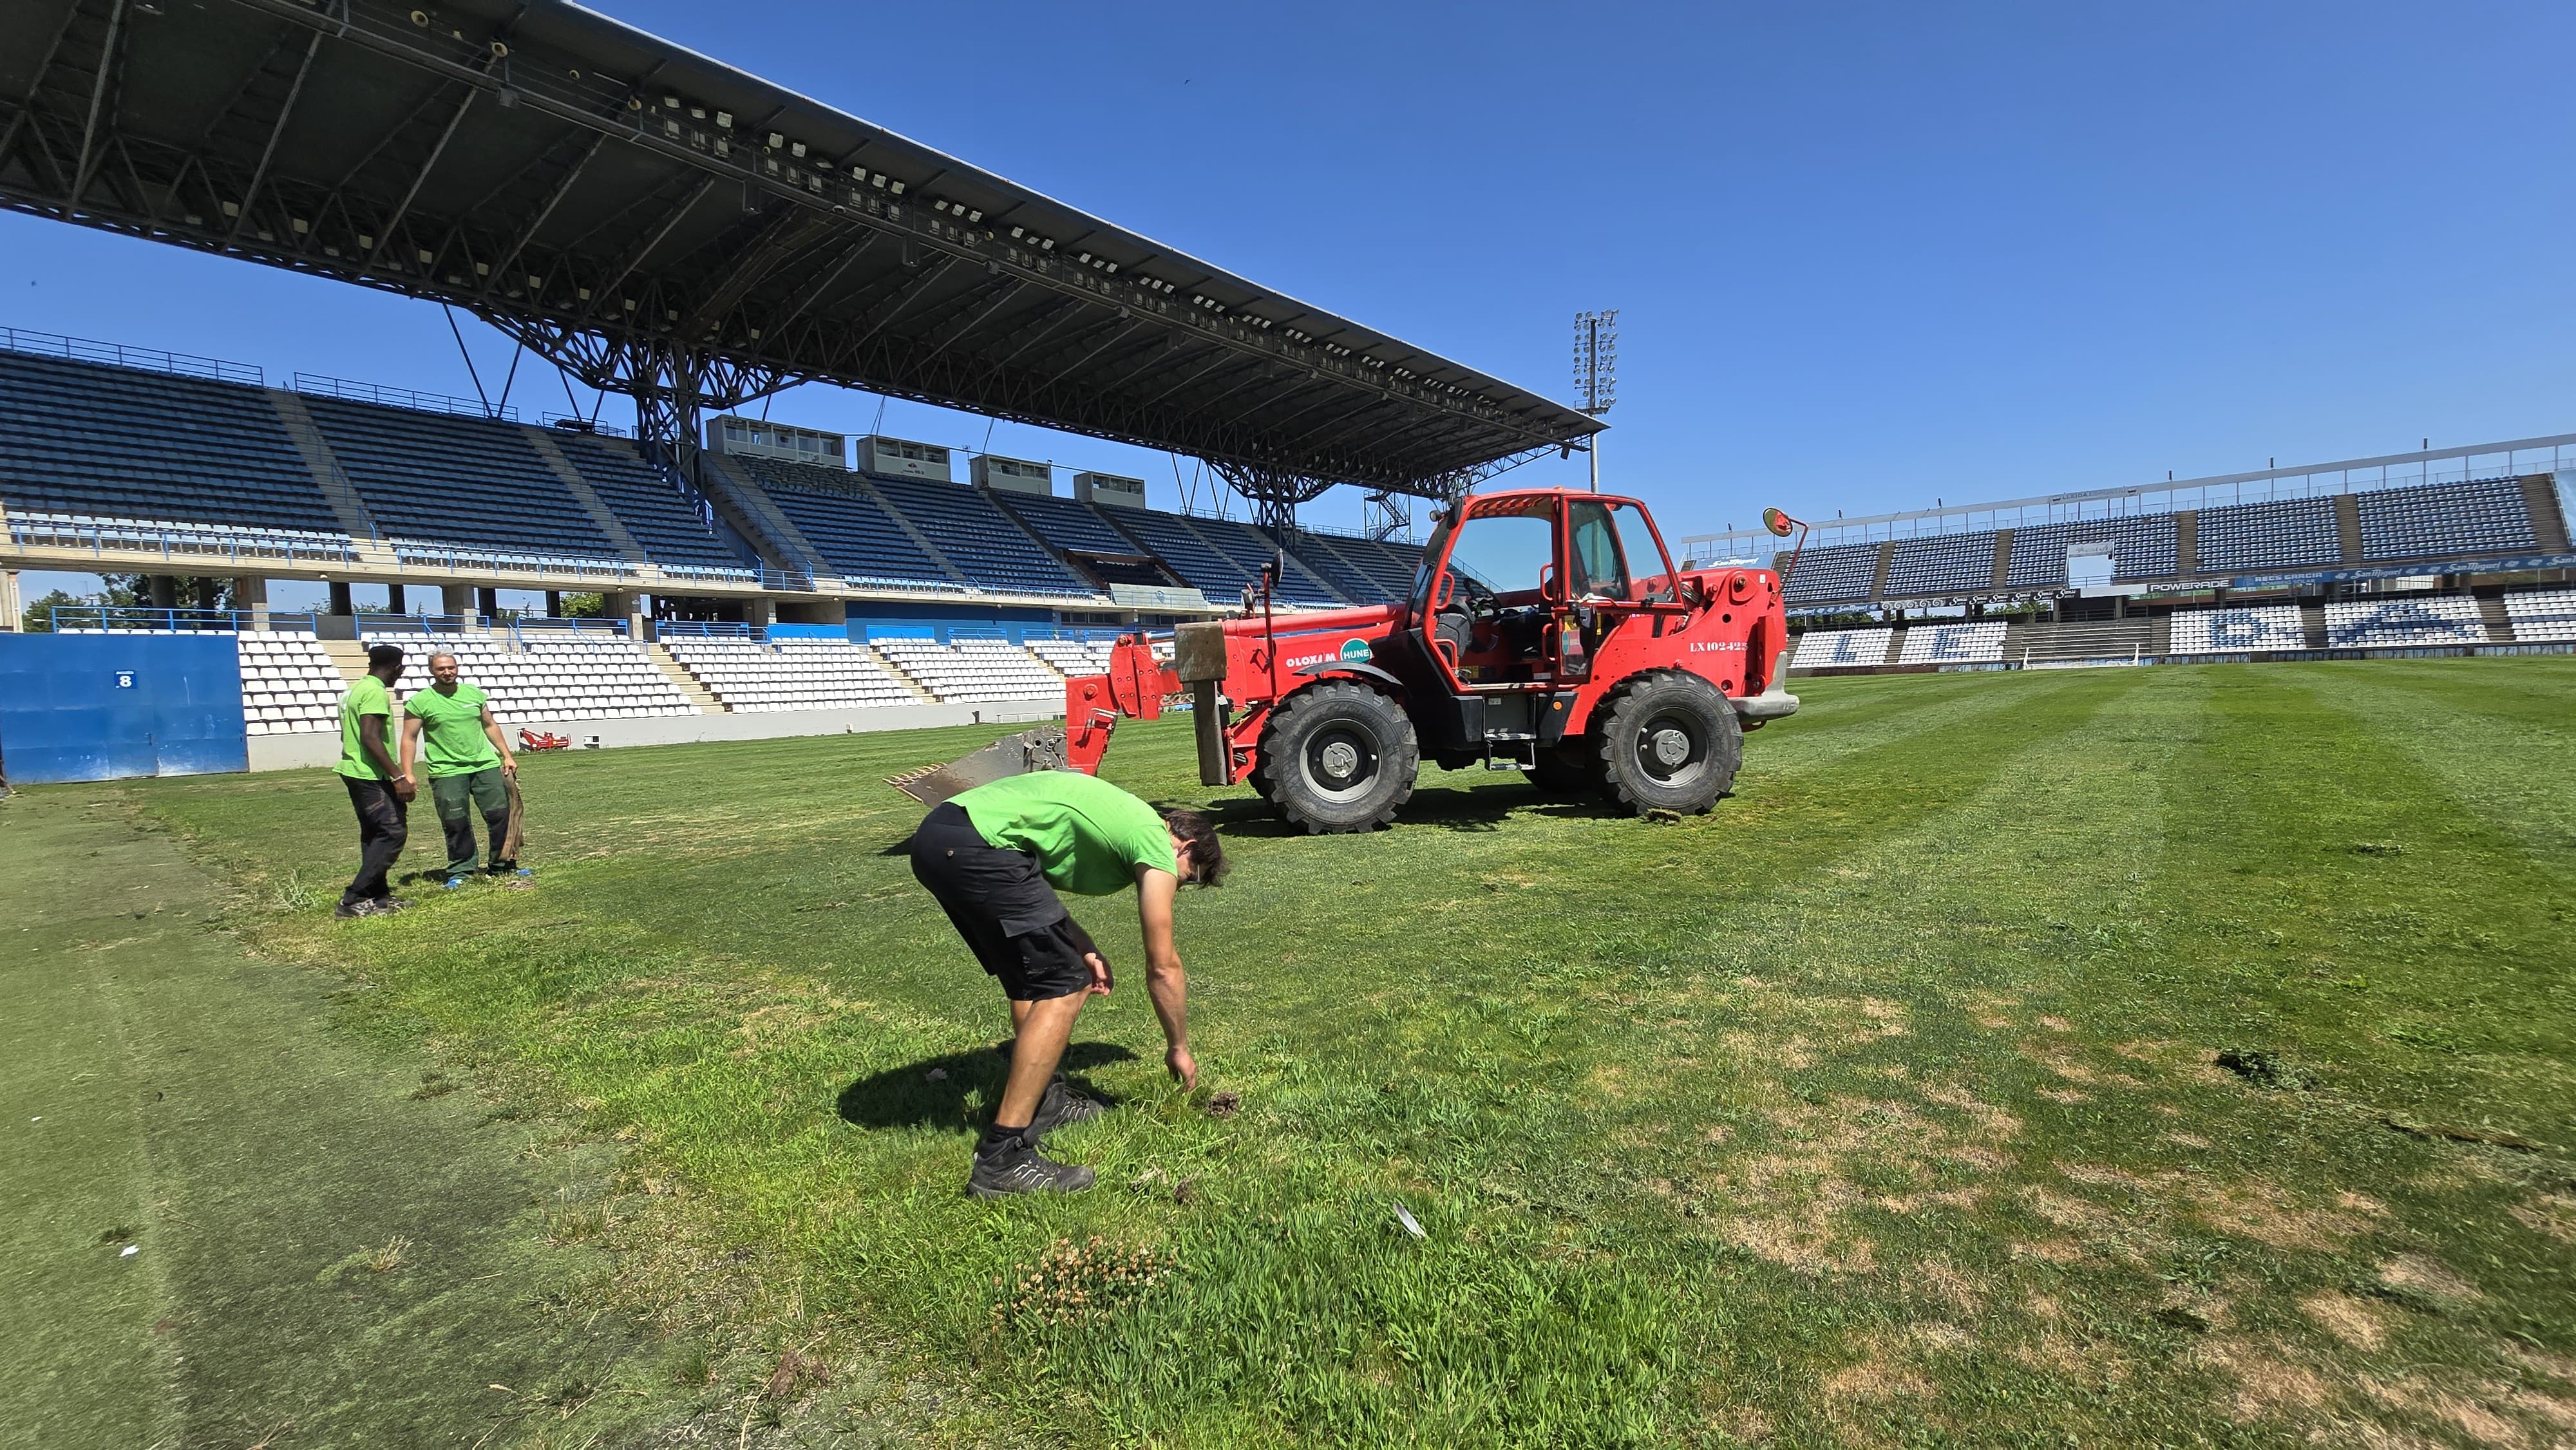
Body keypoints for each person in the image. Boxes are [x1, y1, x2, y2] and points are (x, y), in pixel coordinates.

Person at [907, 771, 1226, 1198]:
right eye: (1188, 877)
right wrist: (1178, 1047)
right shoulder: (1153, 838)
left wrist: (1082, 943)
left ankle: (1046, 1102)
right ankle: (1002, 1158)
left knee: (1031, 981)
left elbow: (1027, 882)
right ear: (1185, 847)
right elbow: (1163, 966)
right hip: (976, 845)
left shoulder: (1126, 822)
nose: (1176, 887)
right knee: (1064, 985)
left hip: (943, 838)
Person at [400, 650, 519, 883]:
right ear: (432, 671)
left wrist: (507, 755)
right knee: (456, 822)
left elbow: (490, 725)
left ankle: (502, 865)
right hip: (447, 770)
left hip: (484, 765)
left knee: (500, 815)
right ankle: (462, 870)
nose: (447, 672)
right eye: (441, 669)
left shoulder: (473, 694)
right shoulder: (420, 702)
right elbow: (409, 738)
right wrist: (408, 773)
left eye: (451, 667)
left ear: (457, 668)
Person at [334, 643, 413, 919]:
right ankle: (353, 898)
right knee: (393, 832)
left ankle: (379, 897)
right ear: (397, 667)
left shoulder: (353, 691)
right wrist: (399, 776)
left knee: (374, 833)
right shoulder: (375, 693)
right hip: (369, 774)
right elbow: (370, 737)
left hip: (353, 769)